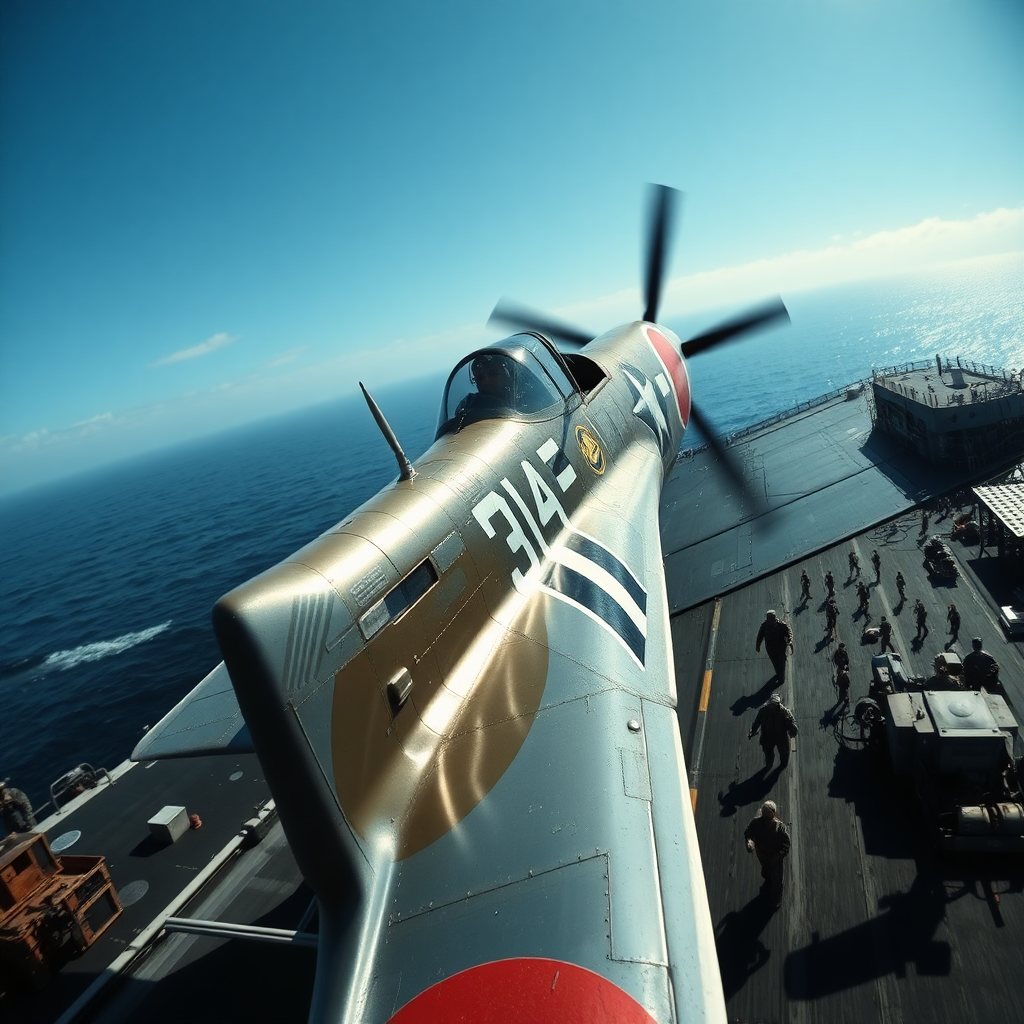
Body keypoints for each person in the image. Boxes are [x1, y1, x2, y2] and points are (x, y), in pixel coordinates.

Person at [744, 800, 791, 909]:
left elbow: (786, 844)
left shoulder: (780, 828)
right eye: (763, 816)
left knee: (777, 878)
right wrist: (749, 841)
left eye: (767, 817)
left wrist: (779, 855)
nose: (764, 819)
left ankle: (777, 897)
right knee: (765, 872)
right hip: (762, 854)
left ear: (773, 814)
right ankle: (768, 881)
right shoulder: (756, 822)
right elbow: (749, 832)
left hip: (775, 857)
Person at [748, 693, 798, 771]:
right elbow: (757, 721)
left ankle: (782, 764)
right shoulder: (763, 711)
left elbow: (794, 727)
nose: (772, 707)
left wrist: (791, 726)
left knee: (784, 753)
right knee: (768, 754)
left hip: (781, 736)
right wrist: (753, 731)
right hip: (768, 736)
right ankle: (769, 764)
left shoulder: (784, 712)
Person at [755, 610, 794, 684]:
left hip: (781, 648)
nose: (771, 622)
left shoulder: (781, 625)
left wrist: (790, 641)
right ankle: (778, 674)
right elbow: (759, 636)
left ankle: (781, 678)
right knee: (775, 662)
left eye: (772, 619)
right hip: (770, 649)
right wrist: (758, 646)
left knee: (781, 663)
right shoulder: (764, 626)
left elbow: (789, 632)